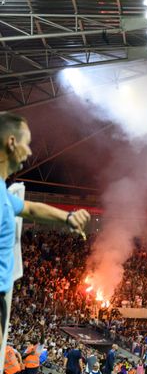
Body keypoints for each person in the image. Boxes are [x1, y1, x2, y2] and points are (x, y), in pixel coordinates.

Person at [0, 113, 90, 357]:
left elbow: (29, 208)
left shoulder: (4, 193)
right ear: (11, 143)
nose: (29, 151)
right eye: (26, 143)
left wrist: (67, 218)